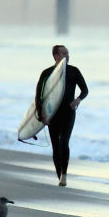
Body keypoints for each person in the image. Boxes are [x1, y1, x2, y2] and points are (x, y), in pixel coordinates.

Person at [36, 44, 88, 186]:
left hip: (68, 112)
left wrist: (78, 100)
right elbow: (39, 96)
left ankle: (64, 174)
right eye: (64, 53)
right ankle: (59, 175)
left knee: (64, 141)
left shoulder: (73, 71)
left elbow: (85, 90)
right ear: (56, 56)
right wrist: (42, 115)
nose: (67, 56)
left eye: (68, 53)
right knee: (55, 146)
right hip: (52, 114)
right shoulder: (47, 73)